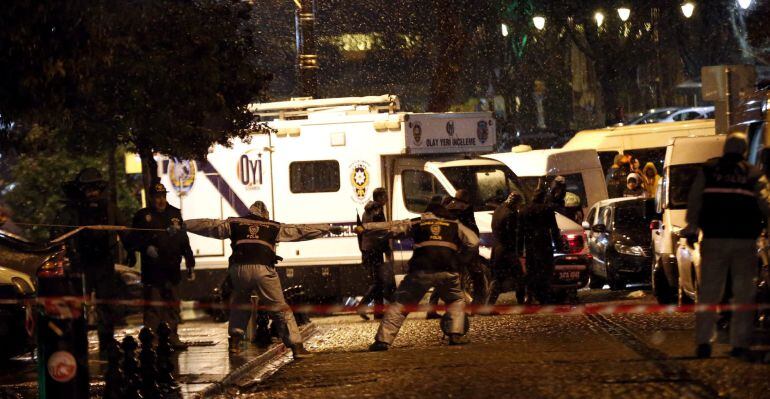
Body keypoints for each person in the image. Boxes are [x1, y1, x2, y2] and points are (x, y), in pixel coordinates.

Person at [186, 200, 344, 357]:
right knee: (280, 309)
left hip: (239, 269)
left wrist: (184, 224)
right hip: (263, 269)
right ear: (265, 214)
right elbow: (299, 231)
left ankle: (234, 343)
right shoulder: (272, 227)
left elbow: (208, 225)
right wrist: (327, 229)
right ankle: (297, 347)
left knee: (240, 304)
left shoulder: (234, 223)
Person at [683, 132, 770, 361]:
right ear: (743, 150)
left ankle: (703, 343)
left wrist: (692, 227)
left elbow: (695, 200)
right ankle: (739, 344)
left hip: (713, 239)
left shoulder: (709, 170)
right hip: (744, 241)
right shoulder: (752, 173)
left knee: (710, 292)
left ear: (725, 149)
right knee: (743, 294)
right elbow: (766, 204)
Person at [358, 202, 479, 351]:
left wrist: (365, 228)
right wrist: (461, 259)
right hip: (447, 270)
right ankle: (455, 334)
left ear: (428, 213)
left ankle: (383, 341)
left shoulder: (419, 222)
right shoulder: (454, 224)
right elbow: (473, 242)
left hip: (421, 270)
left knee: (401, 304)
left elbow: (392, 227)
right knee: (455, 300)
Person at [53, 168, 122, 353]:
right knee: (77, 307)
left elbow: (122, 229)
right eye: (88, 189)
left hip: (104, 263)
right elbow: (58, 232)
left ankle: (107, 343)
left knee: (106, 305)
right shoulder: (72, 211)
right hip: (80, 263)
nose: (92, 193)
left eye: (95, 188)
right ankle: (77, 343)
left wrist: (131, 249)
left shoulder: (109, 208)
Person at [127, 182, 195, 350]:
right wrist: (145, 247)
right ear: (151, 198)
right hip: (153, 270)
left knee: (172, 306)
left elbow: (183, 240)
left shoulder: (174, 213)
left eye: (163, 196)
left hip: (172, 268)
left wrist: (190, 262)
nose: (161, 200)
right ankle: (152, 339)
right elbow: (133, 240)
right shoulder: (142, 216)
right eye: (157, 197)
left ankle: (172, 336)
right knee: (153, 306)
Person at [426, 189, 485, 318]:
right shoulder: (465, 208)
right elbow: (469, 230)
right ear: (466, 198)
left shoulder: (447, 207)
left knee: (445, 279)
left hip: (450, 249)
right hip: (464, 249)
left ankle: (432, 308)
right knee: (476, 278)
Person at [357, 188, 396, 320]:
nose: (387, 199)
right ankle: (362, 305)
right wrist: (387, 251)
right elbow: (381, 233)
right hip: (375, 249)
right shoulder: (378, 210)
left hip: (368, 248)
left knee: (378, 281)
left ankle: (378, 312)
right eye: (385, 196)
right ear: (379, 197)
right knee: (378, 281)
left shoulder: (367, 210)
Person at [521, 188, 562, 304]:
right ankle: (543, 295)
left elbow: (520, 231)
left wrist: (520, 248)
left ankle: (529, 294)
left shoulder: (525, 210)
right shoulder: (547, 210)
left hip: (530, 245)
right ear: (543, 198)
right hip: (544, 244)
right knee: (545, 271)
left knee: (532, 270)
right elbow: (554, 229)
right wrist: (558, 244)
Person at [489, 192, 526, 306]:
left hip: (497, 249)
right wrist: (518, 251)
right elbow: (514, 234)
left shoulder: (498, 209)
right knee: (519, 276)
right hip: (508, 251)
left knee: (497, 278)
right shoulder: (511, 214)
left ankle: (488, 304)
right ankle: (521, 302)